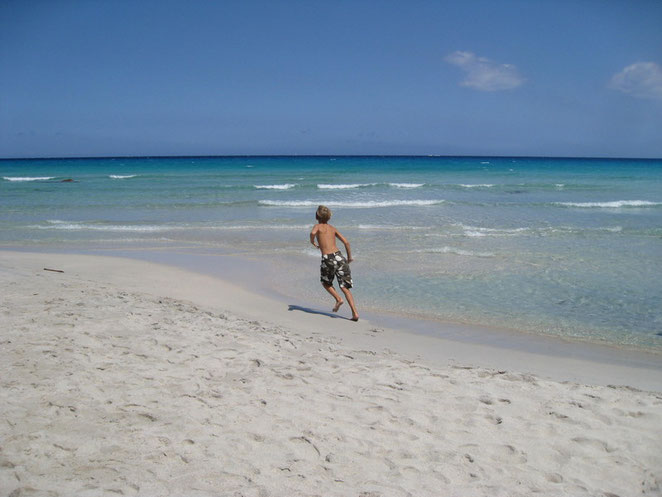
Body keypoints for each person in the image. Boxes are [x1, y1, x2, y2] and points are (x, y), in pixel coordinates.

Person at [309, 205, 359, 321]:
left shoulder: (317, 226)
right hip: (340, 257)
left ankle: (338, 299)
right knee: (345, 287)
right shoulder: (333, 228)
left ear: (317, 216)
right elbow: (346, 242)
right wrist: (349, 257)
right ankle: (355, 313)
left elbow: (312, 233)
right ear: (329, 217)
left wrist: (313, 242)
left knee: (325, 283)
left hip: (328, 258)